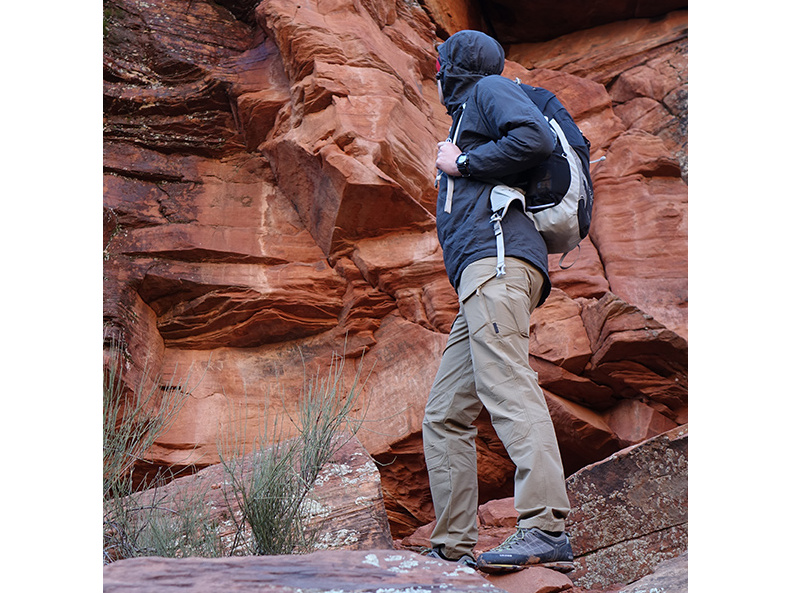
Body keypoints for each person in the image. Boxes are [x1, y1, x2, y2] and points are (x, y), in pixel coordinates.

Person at [422, 29, 574, 573]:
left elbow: (532, 138)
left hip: (498, 264)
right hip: (481, 277)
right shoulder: (469, 112)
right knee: (445, 414)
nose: (437, 73)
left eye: (440, 63)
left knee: (506, 384)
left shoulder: (487, 89)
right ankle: (452, 548)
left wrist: (461, 163)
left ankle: (545, 527)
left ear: (455, 66)